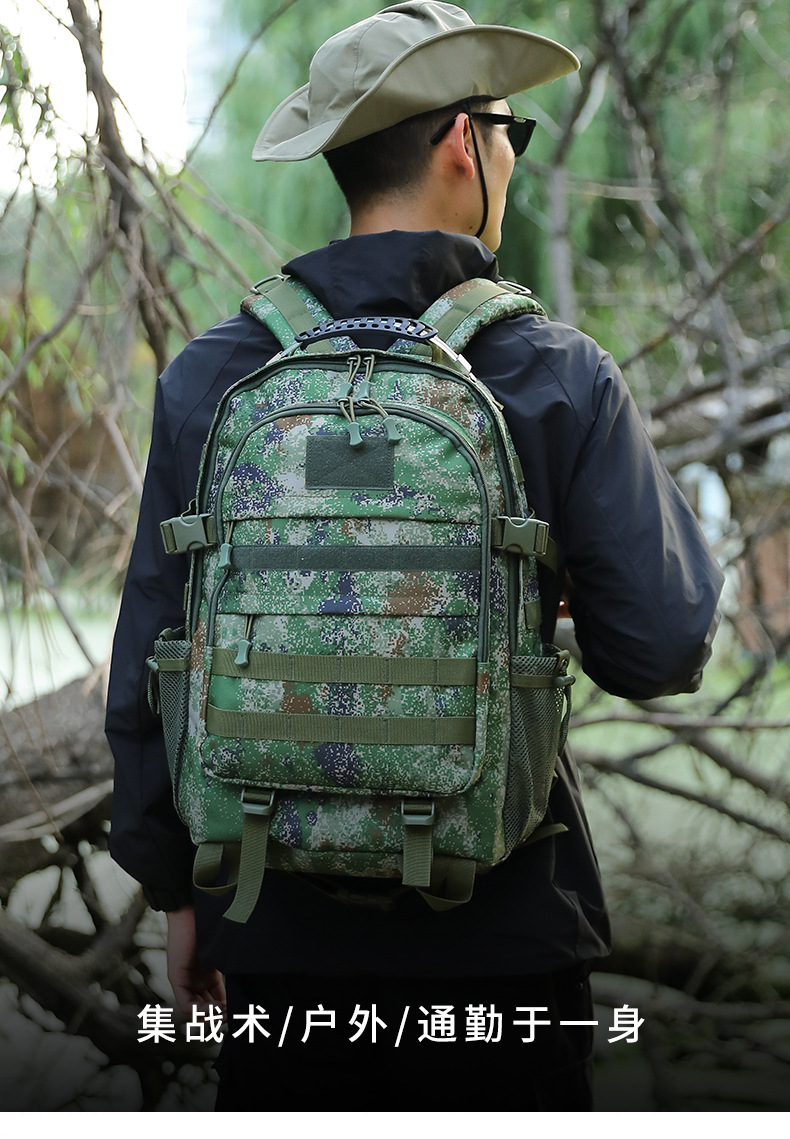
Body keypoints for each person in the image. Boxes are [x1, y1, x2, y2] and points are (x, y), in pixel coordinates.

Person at [105, 1, 723, 1111]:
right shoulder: (554, 374)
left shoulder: (213, 375)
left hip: (275, 940)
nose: (510, 157)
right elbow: (662, 645)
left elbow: (152, 654)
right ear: (461, 143)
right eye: (510, 132)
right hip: (505, 954)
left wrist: (177, 890)